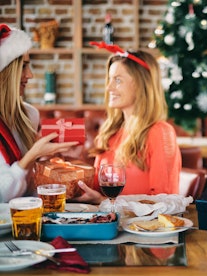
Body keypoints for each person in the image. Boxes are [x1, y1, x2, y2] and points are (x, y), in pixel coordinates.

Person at [74, 42, 181, 205]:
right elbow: (96, 190)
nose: (108, 87)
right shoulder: (110, 132)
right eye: (109, 79)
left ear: (140, 85)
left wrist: (103, 201)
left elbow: (165, 202)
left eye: (117, 80)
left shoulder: (159, 132)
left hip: (140, 229)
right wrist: (73, 163)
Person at [0, 24, 79, 203]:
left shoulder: (30, 114)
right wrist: (31, 156)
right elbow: (2, 196)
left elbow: (29, 189)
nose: (30, 75)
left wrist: (51, 165)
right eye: (24, 66)